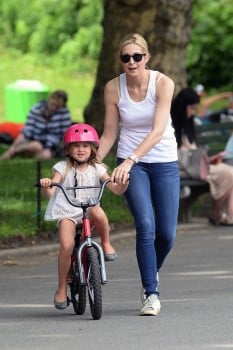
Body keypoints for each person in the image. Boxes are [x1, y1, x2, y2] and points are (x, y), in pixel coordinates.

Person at [97, 33, 180, 316]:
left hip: (163, 159)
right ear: (120, 60)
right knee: (146, 225)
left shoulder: (163, 83)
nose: (131, 62)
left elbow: (158, 130)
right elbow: (109, 133)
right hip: (131, 165)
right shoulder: (113, 88)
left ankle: (150, 271)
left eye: (136, 56)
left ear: (147, 57)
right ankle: (150, 292)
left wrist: (131, 159)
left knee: (167, 233)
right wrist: (90, 162)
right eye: (125, 58)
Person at [39, 123, 128, 310]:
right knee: (67, 245)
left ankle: (105, 243)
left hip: (89, 210)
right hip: (68, 212)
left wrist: (123, 183)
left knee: (97, 210)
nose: (81, 149)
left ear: (93, 149)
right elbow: (50, 191)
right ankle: (62, 287)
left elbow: (115, 189)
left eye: (86, 146)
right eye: (76, 146)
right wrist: (47, 185)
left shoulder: (98, 168)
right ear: (68, 149)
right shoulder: (62, 168)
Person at [171, 87, 233, 226]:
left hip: (196, 165)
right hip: (184, 167)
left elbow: (193, 150)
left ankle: (221, 214)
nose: (193, 111)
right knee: (229, 173)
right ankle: (217, 213)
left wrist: (210, 159)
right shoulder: (171, 124)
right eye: (191, 107)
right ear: (183, 106)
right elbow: (180, 154)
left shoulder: (188, 123)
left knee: (229, 171)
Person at [0, 90, 72, 160]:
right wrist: (13, 145)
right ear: (49, 99)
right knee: (36, 146)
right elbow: (26, 131)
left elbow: (65, 134)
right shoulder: (36, 109)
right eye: (53, 104)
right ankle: (13, 151)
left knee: (46, 155)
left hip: (51, 145)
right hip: (33, 141)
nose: (54, 108)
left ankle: (23, 155)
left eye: (57, 107)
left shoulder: (64, 114)